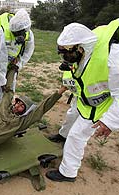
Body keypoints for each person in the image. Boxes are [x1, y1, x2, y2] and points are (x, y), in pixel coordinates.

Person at [45, 20, 119, 182]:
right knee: (72, 113)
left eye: (67, 53)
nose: (64, 57)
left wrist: (109, 122)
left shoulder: (113, 58)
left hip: (101, 103)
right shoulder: (87, 45)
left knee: (77, 135)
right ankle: (62, 135)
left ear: (80, 48)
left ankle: (68, 172)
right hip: (85, 96)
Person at [0, 9, 34, 110]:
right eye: (15, 33)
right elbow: (1, 60)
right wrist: (3, 82)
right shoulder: (1, 34)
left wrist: (18, 64)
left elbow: (28, 52)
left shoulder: (29, 34)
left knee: (10, 91)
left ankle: (7, 113)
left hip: (12, 65)